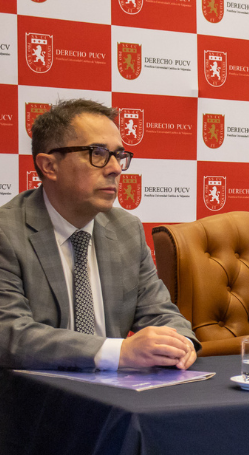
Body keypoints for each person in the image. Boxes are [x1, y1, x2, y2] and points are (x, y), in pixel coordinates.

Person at [0, 99, 199, 370]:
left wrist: (181, 342)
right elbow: (10, 334)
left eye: (119, 155)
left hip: (116, 391)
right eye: (98, 153)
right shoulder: (7, 232)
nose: (115, 168)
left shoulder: (126, 229)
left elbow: (161, 314)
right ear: (49, 166)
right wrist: (118, 352)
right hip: (38, 392)